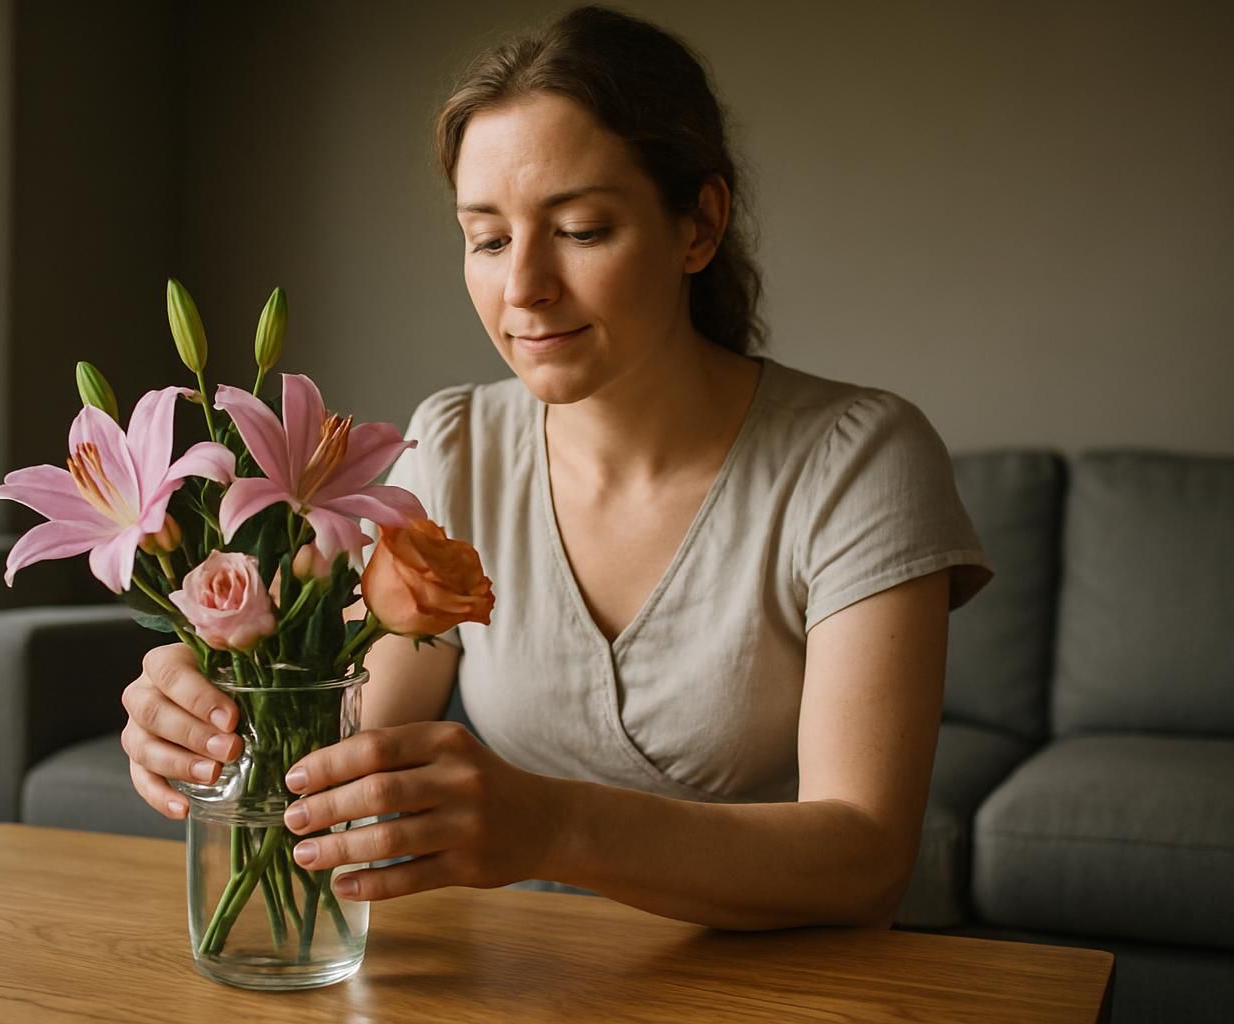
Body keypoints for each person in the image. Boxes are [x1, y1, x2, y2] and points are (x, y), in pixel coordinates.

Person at [118, 5, 991, 931]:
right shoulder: (452, 445)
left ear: (698, 226)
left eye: (579, 229)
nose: (523, 287)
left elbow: (865, 857)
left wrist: (557, 827)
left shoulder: (861, 459)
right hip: (531, 971)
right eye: (488, 239)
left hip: (797, 984)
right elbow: (349, 741)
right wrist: (219, 700)